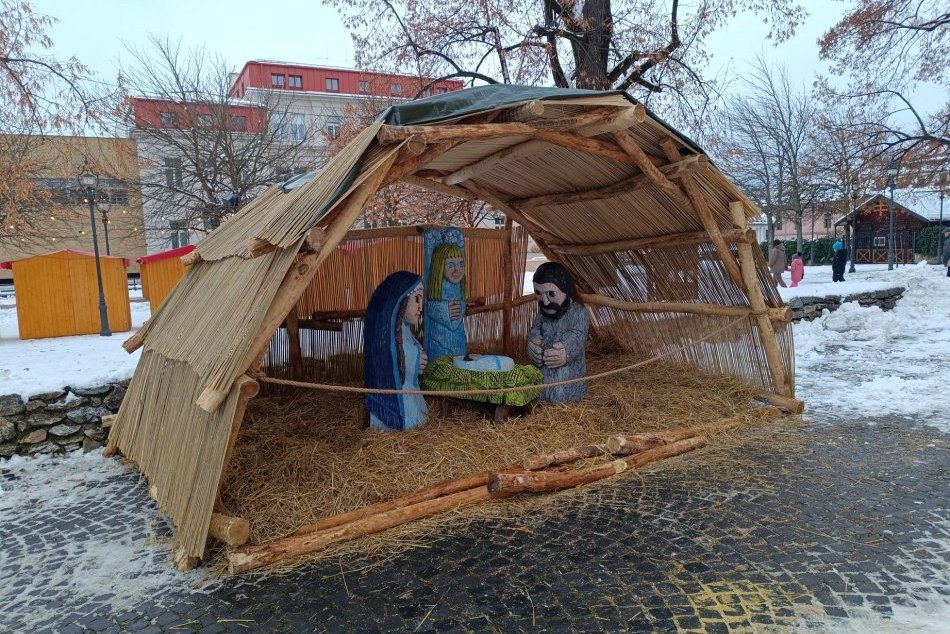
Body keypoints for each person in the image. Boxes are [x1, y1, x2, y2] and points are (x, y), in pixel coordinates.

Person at [364, 271, 428, 431]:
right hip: (400, 397)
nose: (421, 307)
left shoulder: (403, 327)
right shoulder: (386, 333)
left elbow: (409, 346)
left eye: (422, 300)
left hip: (410, 392)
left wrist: (418, 352)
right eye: (417, 299)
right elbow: (390, 358)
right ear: (401, 299)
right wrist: (416, 358)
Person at [527, 262, 588, 403]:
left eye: (551, 294)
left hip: (569, 382)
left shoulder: (578, 312)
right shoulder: (543, 313)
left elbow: (578, 335)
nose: (545, 301)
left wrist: (566, 351)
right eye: (539, 293)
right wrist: (533, 344)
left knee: (563, 391)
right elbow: (535, 329)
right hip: (542, 376)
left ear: (565, 290)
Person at [424, 241, 468, 361]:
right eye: (450, 265)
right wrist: (445, 309)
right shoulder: (436, 286)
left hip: (458, 340)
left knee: (459, 363)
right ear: (439, 266)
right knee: (441, 365)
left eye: (461, 264)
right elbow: (430, 307)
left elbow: (462, 303)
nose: (457, 270)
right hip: (439, 340)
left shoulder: (460, 286)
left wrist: (461, 306)